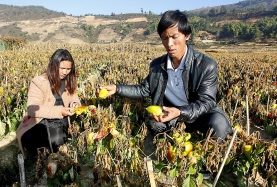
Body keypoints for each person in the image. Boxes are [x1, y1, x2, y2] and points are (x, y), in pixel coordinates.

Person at [99, 10, 232, 142]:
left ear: (187, 35)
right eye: (164, 38)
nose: (169, 44)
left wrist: (180, 112)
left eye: (174, 37)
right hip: (171, 115)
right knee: (155, 124)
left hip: (200, 115)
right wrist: (117, 88)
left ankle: (209, 158)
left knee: (219, 124)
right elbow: (144, 89)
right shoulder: (157, 65)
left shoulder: (205, 65)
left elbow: (207, 102)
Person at [16, 49, 81, 159]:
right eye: (62, 68)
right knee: (49, 142)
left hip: (62, 122)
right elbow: (32, 109)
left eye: (68, 69)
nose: (65, 72)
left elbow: (74, 97)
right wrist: (59, 111)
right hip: (42, 122)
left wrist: (75, 104)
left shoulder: (68, 81)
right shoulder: (39, 82)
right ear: (53, 65)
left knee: (65, 138)